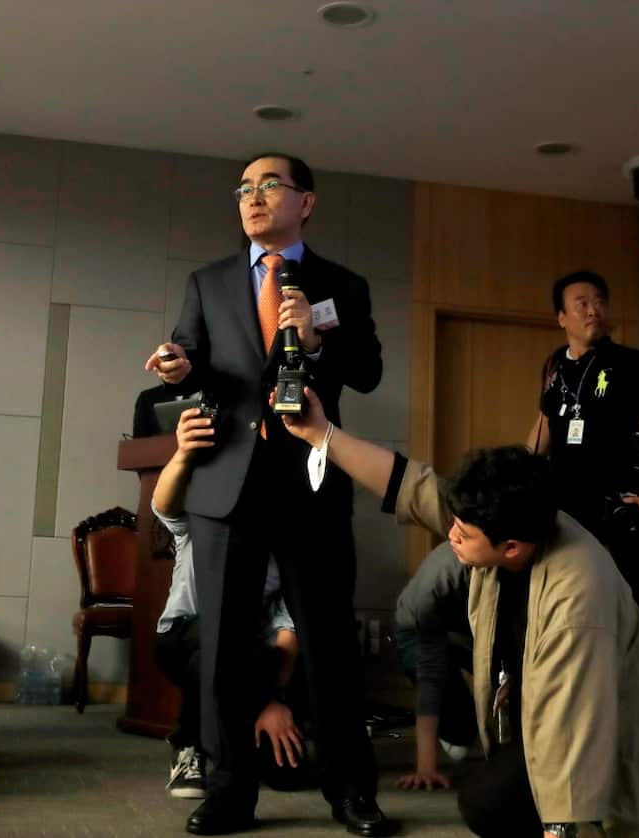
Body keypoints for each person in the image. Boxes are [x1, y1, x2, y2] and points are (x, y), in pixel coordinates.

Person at [279, 386, 639, 838]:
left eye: (463, 534)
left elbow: (570, 731)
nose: (451, 536)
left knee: (569, 807)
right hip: (557, 716)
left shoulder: (576, 597)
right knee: (490, 795)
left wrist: (559, 828)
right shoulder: (501, 516)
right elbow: (410, 485)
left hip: (611, 733)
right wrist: (320, 433)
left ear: (511, 548)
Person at [145, 152, 388, 835]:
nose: (254, 196)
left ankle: (352, 791)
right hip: (225, 481)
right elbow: (189, 363)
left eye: (270, 184)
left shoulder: (340, 283)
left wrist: (315, 340)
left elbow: (365, 371)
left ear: (305, 202)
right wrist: (175, 366)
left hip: (310, 479)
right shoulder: (209, 281)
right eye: (245, 187)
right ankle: (227, 790)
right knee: (222, 646)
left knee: (330, 644)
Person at [153, 406, 306, 799]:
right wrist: (184, 453)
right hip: (181, 637)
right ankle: (190, 747)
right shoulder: (206, 521)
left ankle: (234, 743)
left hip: (245, 661)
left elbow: (287, 638)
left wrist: (271, 702)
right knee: (217, 640)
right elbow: (164, 505)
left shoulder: (280, 555)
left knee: (288, 775)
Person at [526, 270, 639, 623]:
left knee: (630, 613)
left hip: (619, 511)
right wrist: (514, 483)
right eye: (582, 303)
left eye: (600, 302)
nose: (593, 310)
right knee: (570, 613)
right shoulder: (554, 368)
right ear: (561, 317)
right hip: (564, 516)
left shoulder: (634, 363)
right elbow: (540, 436)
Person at [391, 542, 475, 792]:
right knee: (459, 737)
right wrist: (426, 769)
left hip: (468, 632)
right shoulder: (436, 586)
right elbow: (431, 678)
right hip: (416, 632)